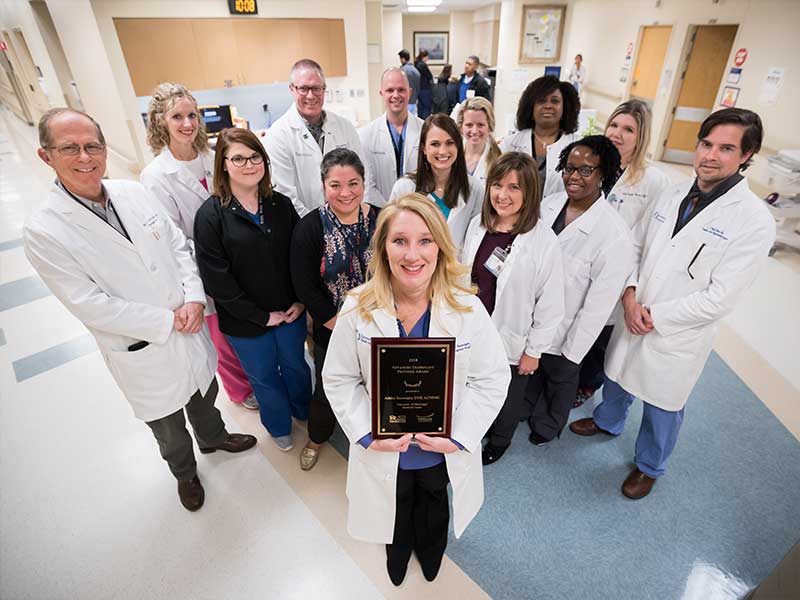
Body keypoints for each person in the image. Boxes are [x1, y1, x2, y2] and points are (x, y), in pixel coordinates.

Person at [24, 108, 256, 512]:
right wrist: (168, 320)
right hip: (142, 345)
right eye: (70, 148)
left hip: (188, 320)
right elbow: (88, 304)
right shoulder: (45, 229)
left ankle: (214, 437)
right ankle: (185, 473)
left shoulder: (132, 192)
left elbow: (179, 248)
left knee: (204, 392)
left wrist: (195, 298)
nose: (85, 157)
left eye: (92, 145)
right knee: (167, 425)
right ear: (46, 156)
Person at [570, 109, 776, 500]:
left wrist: (654, 316)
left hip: (677, 330)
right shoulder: (673, 191)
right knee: (615, 374)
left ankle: (649, 466)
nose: (711, 155)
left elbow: (720, 297)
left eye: (726, 148)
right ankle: (608, 420)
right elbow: (634, 244)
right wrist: (629, 294)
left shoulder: (753, 221)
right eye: (706, 144)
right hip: (634, 307)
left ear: (746, 156)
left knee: (664, 403)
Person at [322, 194, 510, 586]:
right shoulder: (357, 306)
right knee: (395, 504)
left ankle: (430, 551)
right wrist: (367, 434)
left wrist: (457, 437)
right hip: (384, 448)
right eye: (400, 241)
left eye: (425, 240)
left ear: (441, 247)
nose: (413, 254)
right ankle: (398, 550)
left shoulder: (466, 308)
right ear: (383, 248)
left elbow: (492, 378)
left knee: (433, 501)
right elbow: (339, 378)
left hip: (439, 449)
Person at [140, 82, 257, 411]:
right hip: (200, 269)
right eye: (177, 116)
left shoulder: (214, 156)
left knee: (245, 327)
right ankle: (240, 390)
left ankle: (257, 378)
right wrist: (218, 252)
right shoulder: (155, 176)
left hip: (239, 258)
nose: (187, 123)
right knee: (220, 337)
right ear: (161, 121)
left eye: (192, 115)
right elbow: (171, 238)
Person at [194, 128, 311, 452]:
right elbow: (216, 278)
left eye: (255, 156)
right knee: (264, 379)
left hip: (289, 312)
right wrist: (259, 316)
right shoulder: (210, 216)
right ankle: (278, 426)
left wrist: (300, 301)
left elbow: (299, 257)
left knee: (296, 367)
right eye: (239, 158)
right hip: (245, 321)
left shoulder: (280, 204)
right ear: (224, 165)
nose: (249, 164)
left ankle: (303, 411)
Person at [527, 136, 634, 446]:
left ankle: (548, 426)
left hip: (568, 330)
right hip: (534, 318)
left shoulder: (614, 235)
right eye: (569, 168)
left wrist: (573, 352)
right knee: (531, 375)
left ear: (604, 175)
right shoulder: (548, 206)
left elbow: (598, 307)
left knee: (560, 380)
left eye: (586, 170)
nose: (574, 177)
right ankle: (529, 410)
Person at [462, 153, 565, 464]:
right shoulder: (478, 226)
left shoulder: (543, 240)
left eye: (514, 188)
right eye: (497, 185)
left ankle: (500, 440)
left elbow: (551, 304)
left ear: (529, 192)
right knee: (473, 385)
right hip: (476, 329)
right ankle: (473, 429)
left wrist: (534, 351)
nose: (502, 195)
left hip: (513, 338)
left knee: (508, 396)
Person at [574, 99, 672, 407]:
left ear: (641, 137)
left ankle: (587, 387)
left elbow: (649, 241)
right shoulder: (594, 166)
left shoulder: (653, 181)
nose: (618, 133)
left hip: (620, 276)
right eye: (614, 125)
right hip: (581, 264)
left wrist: (632, 285)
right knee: (575, 324)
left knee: (602, 338)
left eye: (628, 129)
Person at [290, 149, 380, 471]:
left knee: (378, 385)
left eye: (353, 183)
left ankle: (377, 437)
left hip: (379, 326)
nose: (346, 193)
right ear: (323, 185)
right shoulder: (310, 228)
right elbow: (305, 286)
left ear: (364, 183)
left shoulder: (381, 220)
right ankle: (318, 437)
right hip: (332, 328)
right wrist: (335, 324)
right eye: (336, 185)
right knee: (327, 388)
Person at [263, 58, 362, 217]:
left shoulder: (345, 128)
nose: (311, 96)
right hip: (303, 228)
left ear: (324, 89)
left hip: (349, 222)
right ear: (292, 89)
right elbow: (285, 196)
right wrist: (316, 228)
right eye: (303, 88)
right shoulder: (277, 135)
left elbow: (360, 178)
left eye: (316, 88)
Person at [389, 113, 484, 255]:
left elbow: (476, 239)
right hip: (414, 268)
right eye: (435, 144)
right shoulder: (404, 188)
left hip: (454, 272)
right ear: (423, 148)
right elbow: (391, 235)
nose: (443, 151)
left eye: (450, 143)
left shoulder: (474, 189)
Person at [500, 75, 582, 198]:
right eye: (541, 101)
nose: (548, 106)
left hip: (559, 214)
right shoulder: (510, 144)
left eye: (555, 101)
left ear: (565, 108)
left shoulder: (578, 146)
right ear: (531, 108)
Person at [358, 68, 424, 207]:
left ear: (410, 92)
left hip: (419, 210)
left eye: (401, 90)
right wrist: (389, 212)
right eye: (390, 90)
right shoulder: (366, 135)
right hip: (380, 211)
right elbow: (367, 185)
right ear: (381, 93)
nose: (396, 95)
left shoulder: (425, 130)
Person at [456, 96, 501, 185]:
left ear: (489, 126)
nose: (475, 131)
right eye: (469, 125)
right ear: (461, 127)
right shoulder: (453, 157)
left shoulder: (499, 161)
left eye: (480, 125)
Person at [398, 49, 421, 115]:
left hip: (405, 101)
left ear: (403, 59)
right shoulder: (415, 70)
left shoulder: (402, 70)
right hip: (414, 101)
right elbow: (418, 87)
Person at [415, 49, 434, 119]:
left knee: (420, 108)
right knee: (426, 108)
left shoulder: (417, 64)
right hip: (425, 89)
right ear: (424, 56)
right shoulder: (423, 65)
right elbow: (430, 76)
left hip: (419, 89)